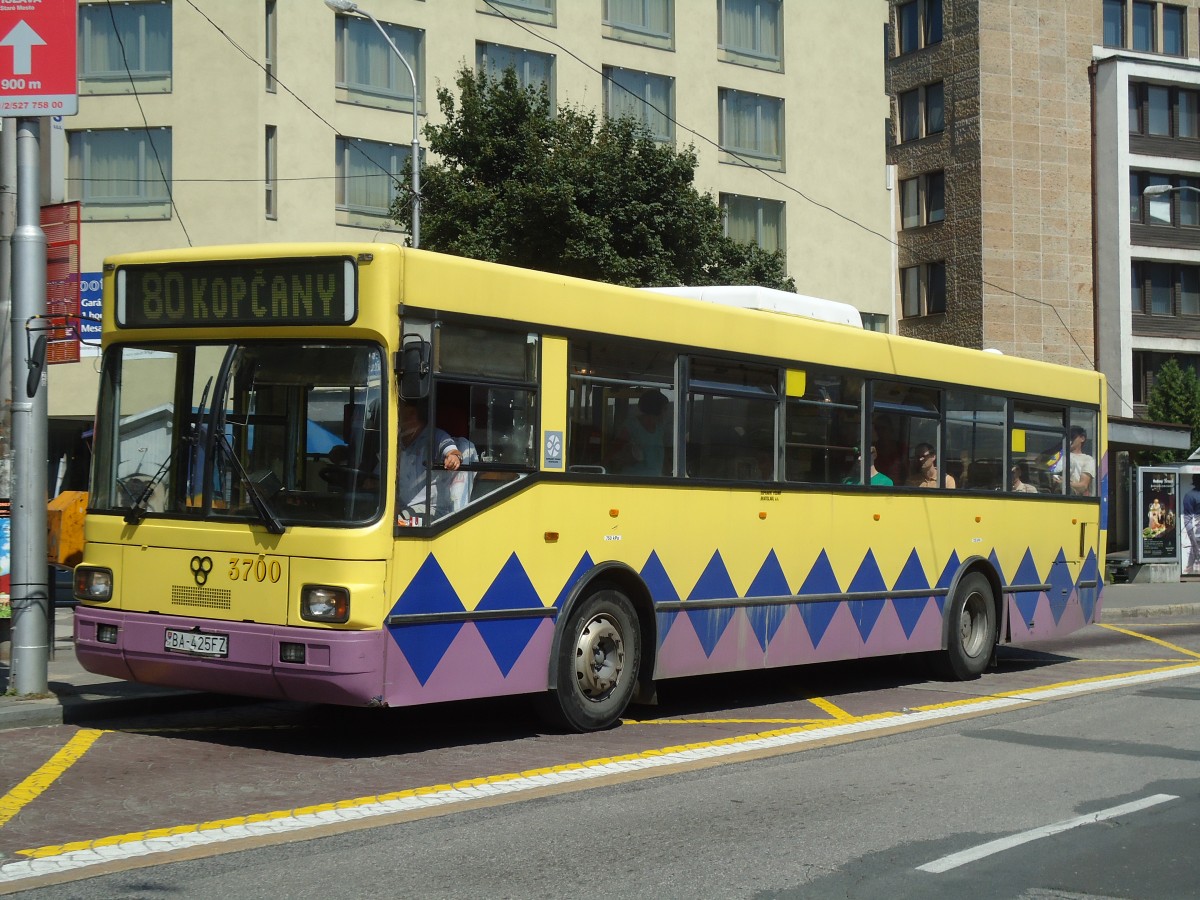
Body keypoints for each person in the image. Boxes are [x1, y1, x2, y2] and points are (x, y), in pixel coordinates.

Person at [398, 400, 461, 521]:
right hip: (401, 506)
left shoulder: (436, 436)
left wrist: (453, 458)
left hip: (430, 510)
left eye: (398, 408)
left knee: (398, 521)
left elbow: (452, 451)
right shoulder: (396, 440)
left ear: (412, 413)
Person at [614, 389, 668, 476]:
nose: (666, 412)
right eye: (665, 408)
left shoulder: (660, 429)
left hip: (656, 480)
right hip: (633, 481)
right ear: (655, 408)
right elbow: (616, 452)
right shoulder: (631, 426)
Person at [1054, 425, 1095, 496]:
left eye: (1072, 437)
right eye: (1067, 437)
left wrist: (1063, 483)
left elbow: (1083, 486)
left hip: (1073, 497)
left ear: (1082, 438)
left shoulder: (1087, 459)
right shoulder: (1059, 455)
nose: (1069, 440)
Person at [1184, 475, 1200, 575]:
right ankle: (1189, 568)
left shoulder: (1190, 495)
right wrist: (1192, 538)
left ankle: (1189, 568)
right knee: (1195, 548)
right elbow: (1187, 519)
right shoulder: (1190, 496)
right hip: (1197, 529)